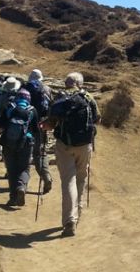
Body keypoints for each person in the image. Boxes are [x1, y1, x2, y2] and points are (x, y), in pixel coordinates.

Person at [42, 72, 100, 237]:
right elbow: (97, 119)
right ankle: (77, 214)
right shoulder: (88, 97)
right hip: (85, 146)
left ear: (66, 84)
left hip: (64, 146)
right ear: (80, 84)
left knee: (68, 181)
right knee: (81, 179)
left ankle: (69, 221)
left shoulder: (60, 98)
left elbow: (51, 123)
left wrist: (45, 126)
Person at [0, 88, 40, 207]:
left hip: (8, 142)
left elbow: (0, 124)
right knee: (24, 168)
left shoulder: (9, 107)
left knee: (11, 170)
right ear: (28, 99)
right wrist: (38, 146)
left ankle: (13, 198)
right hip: (26, 142)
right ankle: (21, 187)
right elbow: (36, 130)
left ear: (17, 97)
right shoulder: (32, 110)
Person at [21, 69, 53, 194]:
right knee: (39, 154)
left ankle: (22, 185)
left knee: (23, 153)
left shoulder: (24, 88)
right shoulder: (47, 89)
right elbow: (51, 106)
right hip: (41, 125)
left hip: (26, 125)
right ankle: (46, 177)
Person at [0, 77, 21, 156]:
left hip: (0, 116)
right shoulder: (19, 95)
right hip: (13, 118)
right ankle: (6, 153)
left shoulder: (0, 93)